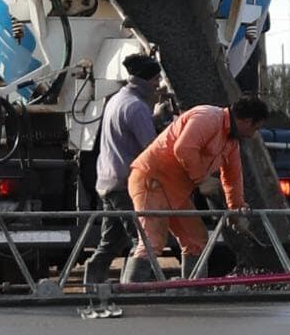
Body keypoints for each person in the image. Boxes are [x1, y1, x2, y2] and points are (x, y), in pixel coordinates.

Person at [125, 93, 262, 275]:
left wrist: (236, 209)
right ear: (247, 121)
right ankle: (132, 294)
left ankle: (192, 292)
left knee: (196, 238)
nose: (254, 135)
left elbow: (232, 178)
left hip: (175, 189)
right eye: (256, 128)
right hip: (152, 180)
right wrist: (202, 179)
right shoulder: (208, 117)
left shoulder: (231, 142)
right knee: (152, 242)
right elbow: (183, 148)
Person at [93, 48, 161, 202]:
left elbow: (125, 131)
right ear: (143, 81)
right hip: (126, 185)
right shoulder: (137, 107)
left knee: (111, 226)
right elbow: (152, 149)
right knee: (136, 226)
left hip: (107, 180)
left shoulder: (117, 99)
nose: (158, 85)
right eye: (155, 79)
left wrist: (153, 119)